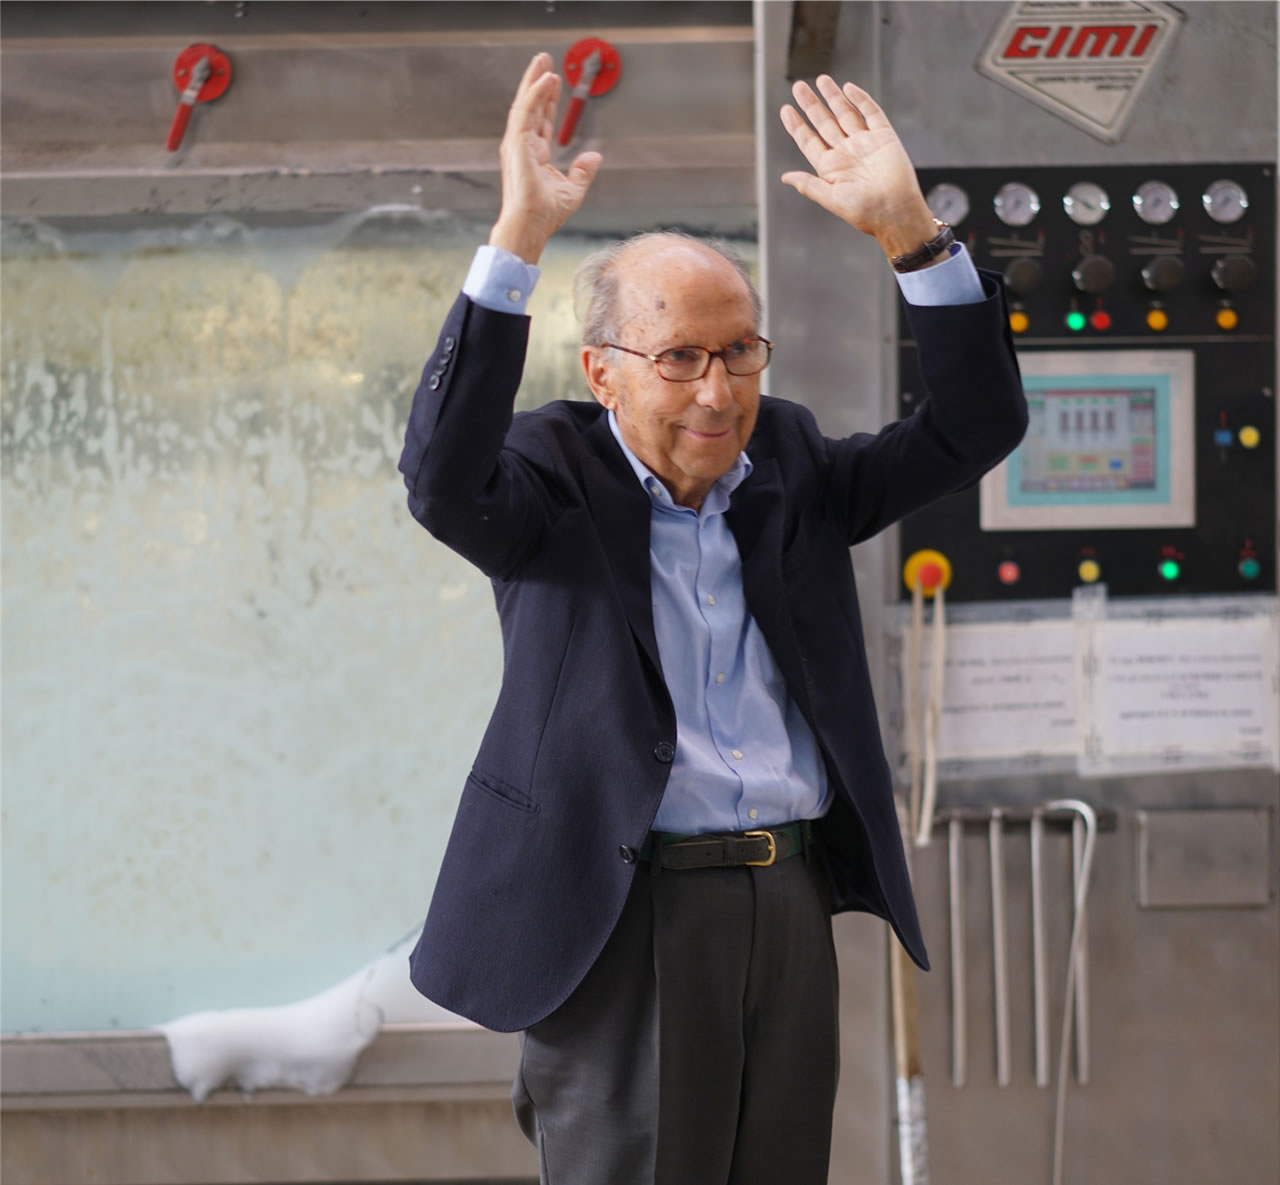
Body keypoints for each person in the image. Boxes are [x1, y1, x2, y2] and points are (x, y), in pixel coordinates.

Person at [399, 52, 1026, 1185]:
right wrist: (518, 239)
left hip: (784, 895)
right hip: (622, 906)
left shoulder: (791, 459)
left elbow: (973, 428)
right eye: (679, 358)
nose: (716, 392)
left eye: (738, 352)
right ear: (603, 373)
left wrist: (911, 236)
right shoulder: (548, 477)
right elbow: (441, 480)